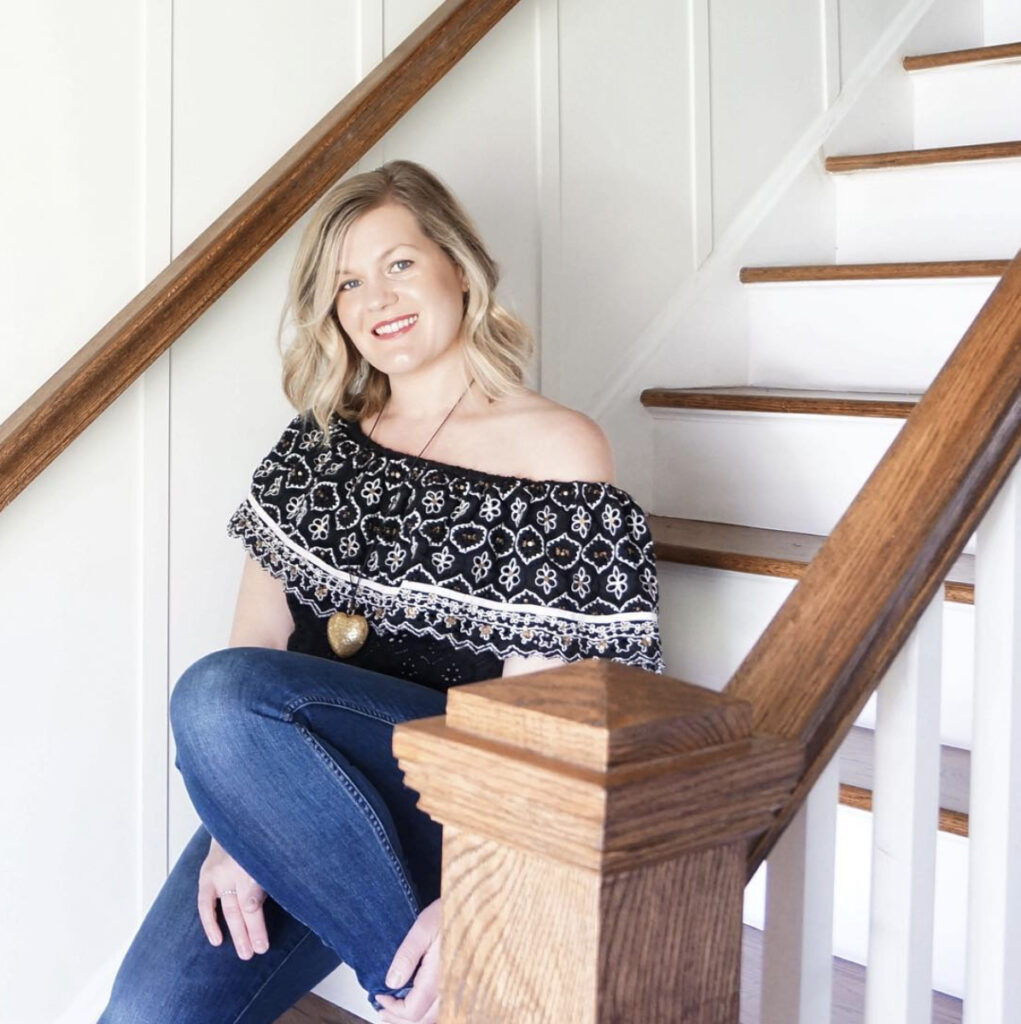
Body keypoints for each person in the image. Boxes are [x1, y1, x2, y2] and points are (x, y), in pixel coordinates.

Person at [98, 159, 664, 1024]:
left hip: (447, 797)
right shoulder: (314, 448)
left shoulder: (556, 449)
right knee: (145, 1014)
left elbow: (541, 717)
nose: (376, 299)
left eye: (397, 264)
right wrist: (237, 825)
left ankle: (423, 993)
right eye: (346, 283)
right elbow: (257, 645)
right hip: (298, 796)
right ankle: (442, 994)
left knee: (216, 692)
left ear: (456, 264)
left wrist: (476, 889)